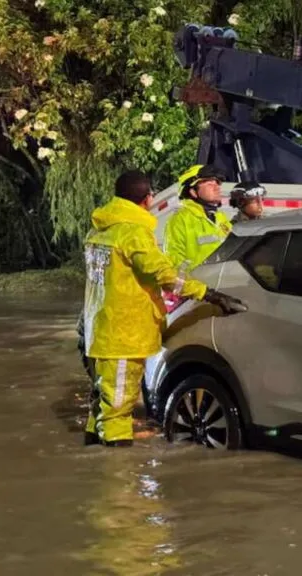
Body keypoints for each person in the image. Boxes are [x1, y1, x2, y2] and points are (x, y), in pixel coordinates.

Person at [81, 170, 246, 447]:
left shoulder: (100, 228)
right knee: (118, 410)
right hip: (124, 333)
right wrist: (208, 293)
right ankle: (117, 480)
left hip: (101, 330)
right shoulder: (132, 233)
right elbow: (165, 276)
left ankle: (93, 451)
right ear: (147, 200)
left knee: (104, 399)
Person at [164, 164, 233, 273]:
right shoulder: (180, 219)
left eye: (217, 183)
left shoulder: (221, 217)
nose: (217, 187)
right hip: (199, 286)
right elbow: (174, 260)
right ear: (193, 191)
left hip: (223, 282)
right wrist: (194, 282)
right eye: (210, 184)